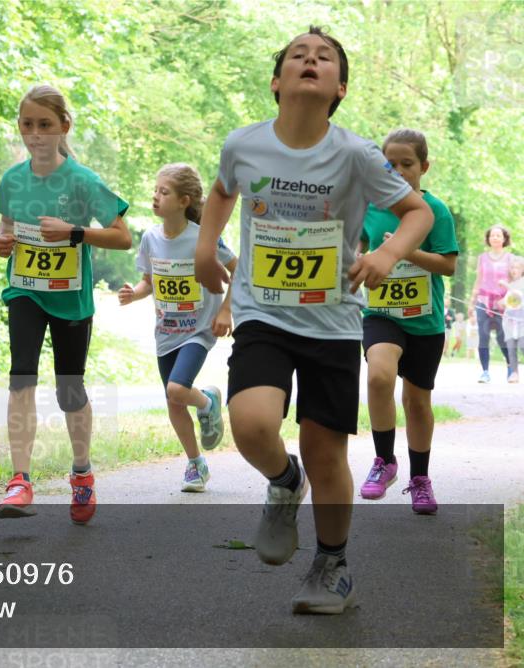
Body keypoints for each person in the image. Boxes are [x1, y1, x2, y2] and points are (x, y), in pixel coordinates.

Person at [194, 26, 433, 615]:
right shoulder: (243, 144)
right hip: (262, 313)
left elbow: (416, 211)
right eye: (298, 55)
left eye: (324, 57)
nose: (310, 60)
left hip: (331, 323)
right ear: (277, 82)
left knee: (327, 454)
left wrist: (385, 254)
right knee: (251, 423)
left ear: (339, 87)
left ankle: (332, 565)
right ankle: (282, 478)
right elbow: (223, 192)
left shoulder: (355, 154)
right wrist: (207, 246)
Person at [0, 85, 131, 524]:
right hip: (26, 290)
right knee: (21, 376)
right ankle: (19, 479)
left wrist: (75, 232)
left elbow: (123, 236)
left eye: (45, 125)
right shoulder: (13, 180)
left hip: (71, 300)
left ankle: (82, 473)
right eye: (27, 125)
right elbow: (4, 229)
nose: (35, 134)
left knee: (69, 390)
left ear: (63, 127)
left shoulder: (83, 181)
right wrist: (1, 241)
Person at [118, 163, 237, 492]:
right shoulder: (151, 239)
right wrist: (134, 294)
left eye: (164, 192)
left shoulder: (202, 238)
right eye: (155, 190)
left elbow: (237, 268)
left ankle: (209, 403)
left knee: (176, 389)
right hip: (165, 332)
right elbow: (149, 282)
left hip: (199, 330)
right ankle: (195, 464)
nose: (155, 197)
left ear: (185, 200)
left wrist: (226, 309)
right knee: (174, 401)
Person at [358, 129, 458, 515]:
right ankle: (385, 461)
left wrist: (408, 252)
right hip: (381, 314)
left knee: (417, 402)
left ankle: (420, 479)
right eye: (390, 164)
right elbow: (357, 247)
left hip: (424, 321)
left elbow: (448, 265)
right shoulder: (368, 209)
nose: (398, 171)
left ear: (424, 167)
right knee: (379, 377)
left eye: (407, 164)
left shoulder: (435, 211)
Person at [468, 225, 512, 382]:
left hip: (502, 304)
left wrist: (508, 301)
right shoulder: (482, 258)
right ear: (488, 239)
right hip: (483, 302)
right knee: (483, 336)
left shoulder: (510, 259)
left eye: (498, 235)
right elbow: (478, 280)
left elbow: (515, 284)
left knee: (502, 337)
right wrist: (472, 303)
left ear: (504, 239)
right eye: (492, 235)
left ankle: (511, 367)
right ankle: (485, 372)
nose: (495, 238)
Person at [499, 256, 524, 383]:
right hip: (509, 322)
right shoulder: (511, 283)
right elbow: (510, 301)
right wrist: (502, 302)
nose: (515, 270)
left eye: (518, 267)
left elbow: (518, 295)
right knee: (511, 348)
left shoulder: (521, 283)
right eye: (512, 267)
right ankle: (514, 373)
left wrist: (507, 286)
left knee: (522, 345)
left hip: (521, 323)